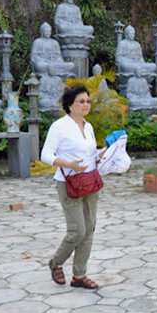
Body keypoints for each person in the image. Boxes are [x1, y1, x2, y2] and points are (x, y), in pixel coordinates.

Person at [41, 85, 105, 290]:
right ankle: (56, 262)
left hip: (90, 181)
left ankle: (79, 275)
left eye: (88, 101)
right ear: (70, 105)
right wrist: (70, 165)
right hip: (69, 182)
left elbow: (90, 154)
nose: (86, 105)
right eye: (81, 101)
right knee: (77, 230)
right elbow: (45, 155)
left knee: (89, 229)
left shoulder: (88, 127)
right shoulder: (59, 127)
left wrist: (104, 155)